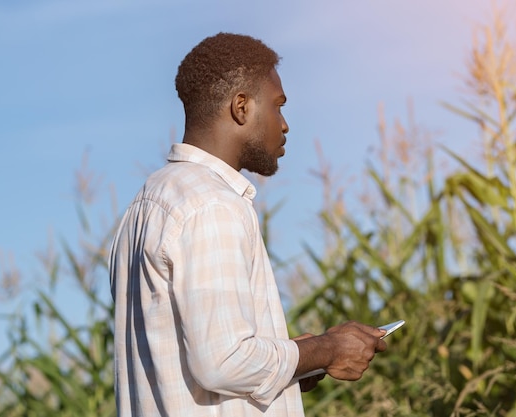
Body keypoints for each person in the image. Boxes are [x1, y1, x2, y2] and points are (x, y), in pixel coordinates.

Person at [109, 32, 387, 417]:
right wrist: (329, 349)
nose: (285, 125)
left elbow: (193, 357)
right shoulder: (212, 204)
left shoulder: (144, 206)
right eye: (278, 106)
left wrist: (297, 359)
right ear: (241, 107)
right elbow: (222, 361)